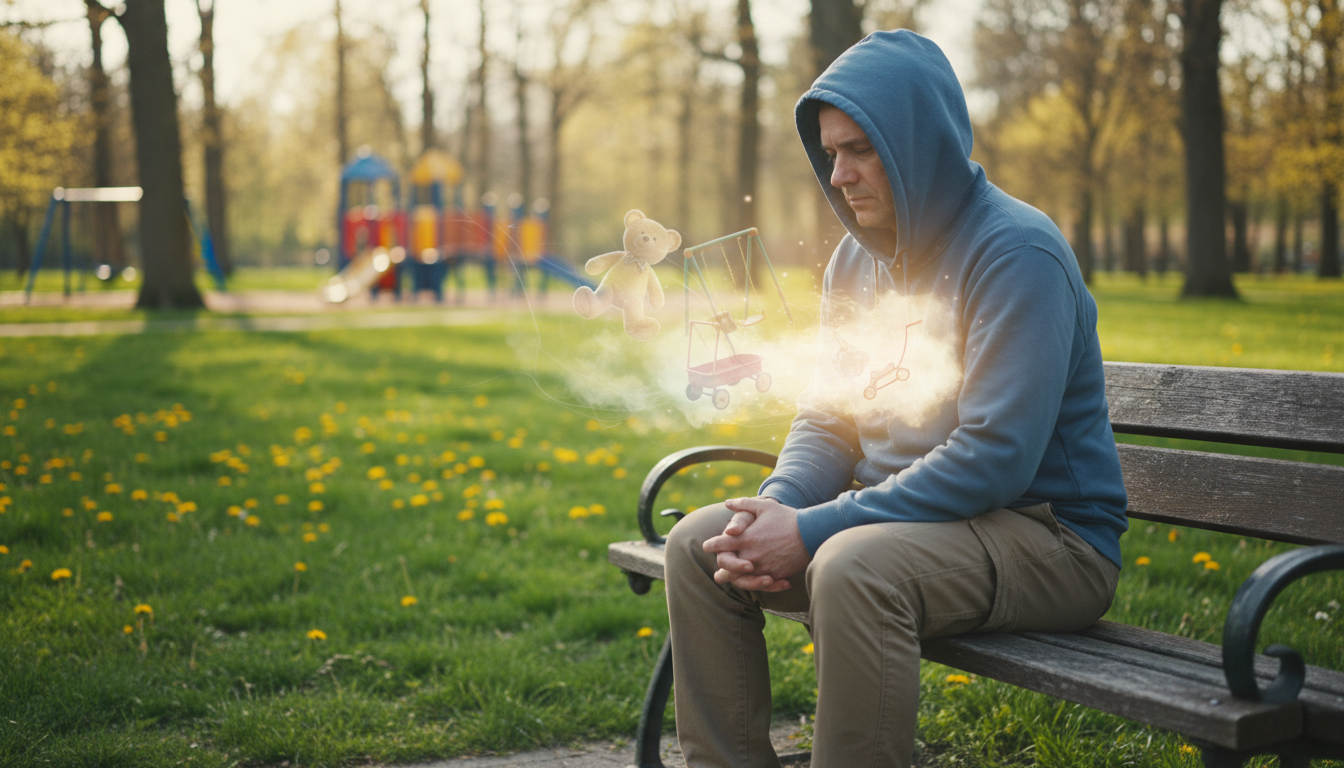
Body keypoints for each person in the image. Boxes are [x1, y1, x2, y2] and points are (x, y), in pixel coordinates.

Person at [663, 30, 1128, 768]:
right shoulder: (856, 259)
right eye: (829, 154)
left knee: (851, 565)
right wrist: (776, 509)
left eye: (859, 150)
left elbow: (996, 458)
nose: (838, 174)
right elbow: (830, 416)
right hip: (910, 525)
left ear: (919, 142)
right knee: (699, 545)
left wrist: (813, 532)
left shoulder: (1016, 252)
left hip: (1049, 539)